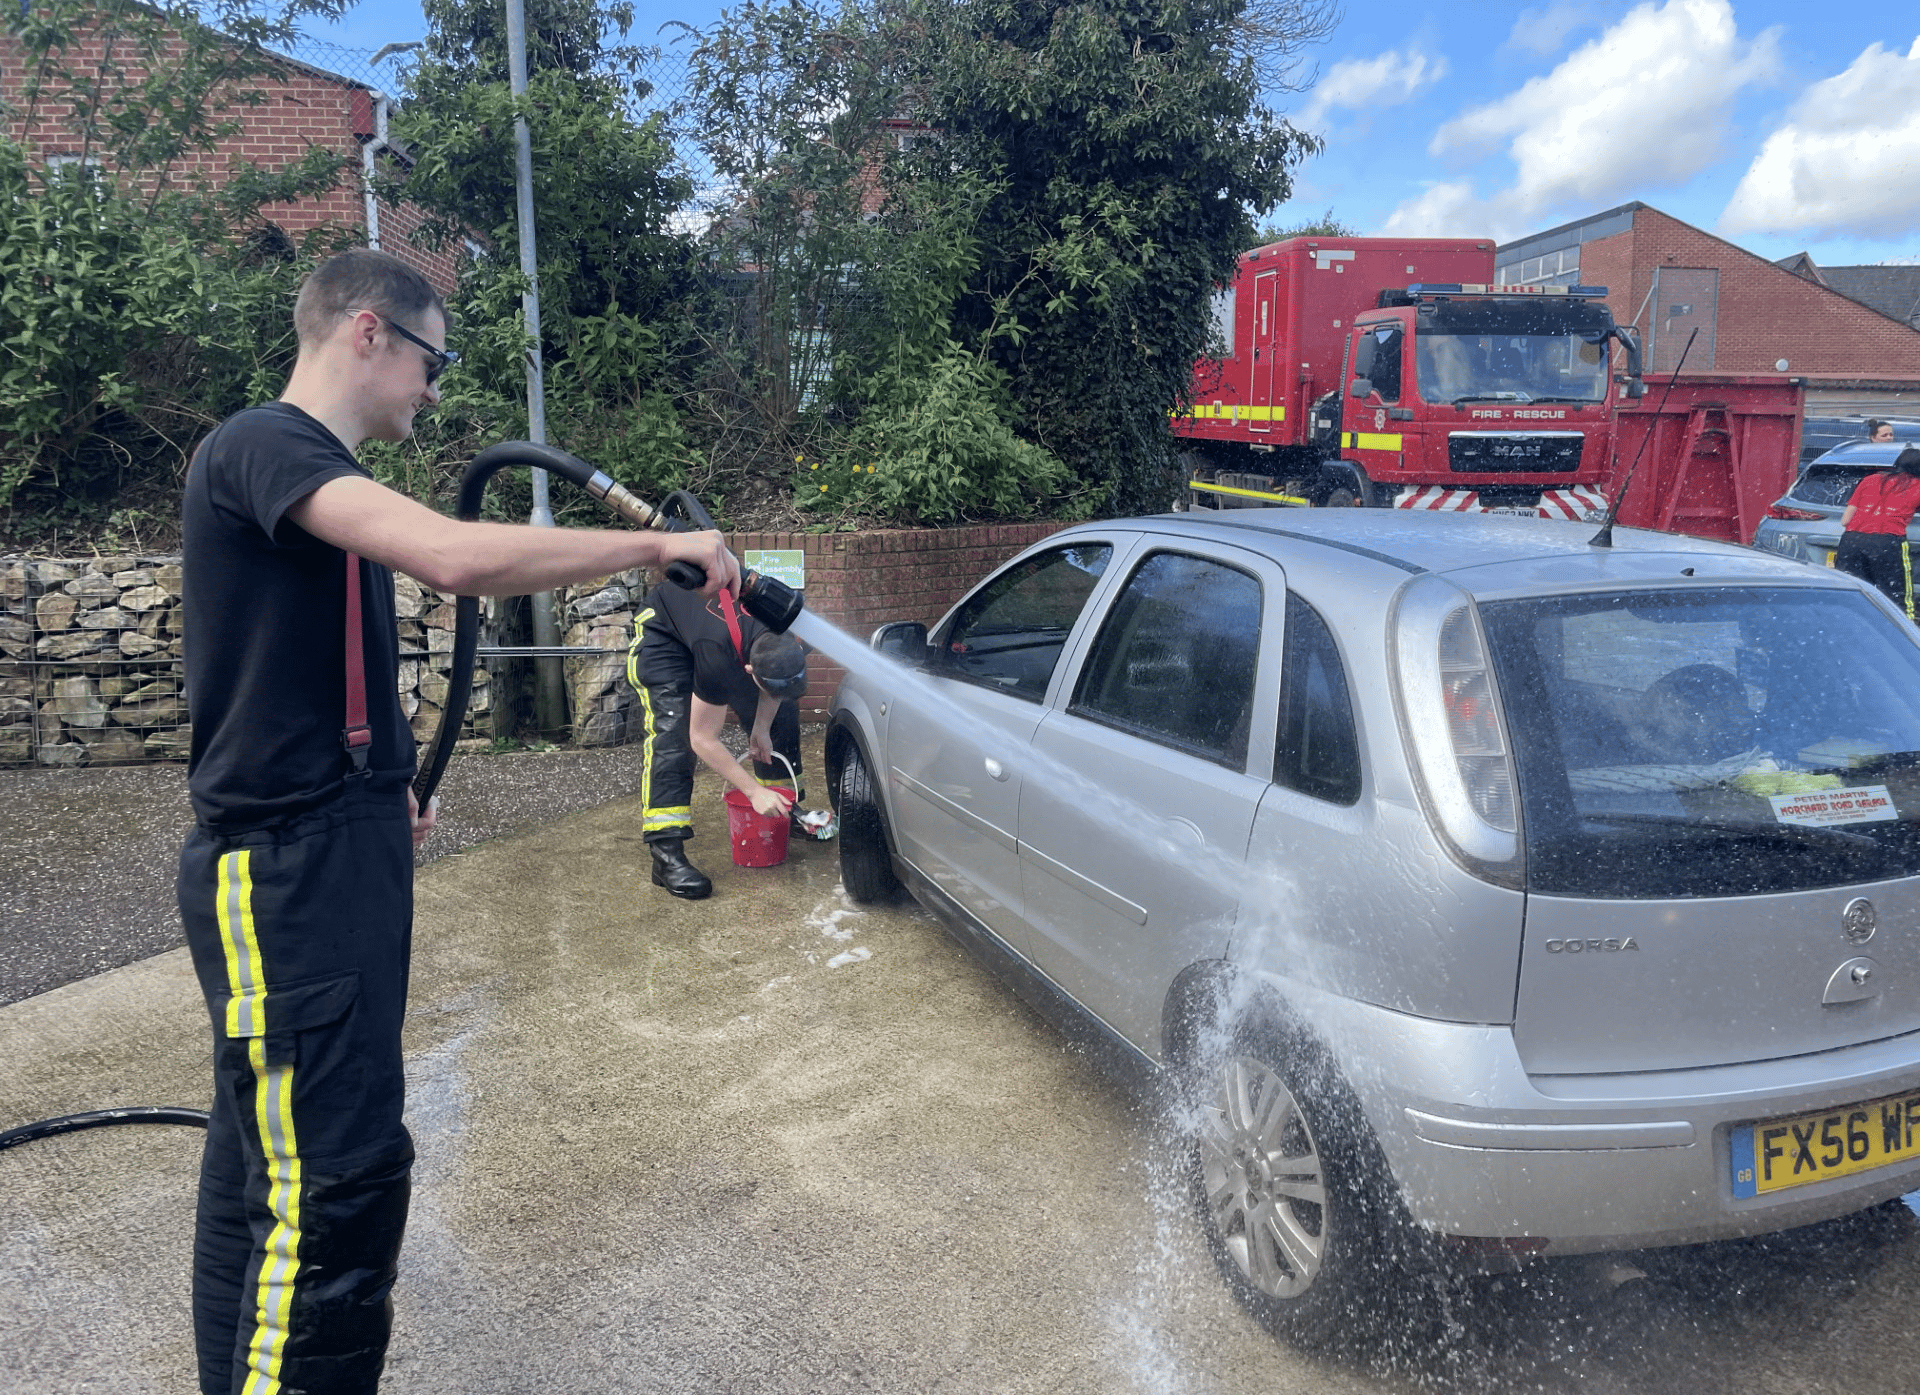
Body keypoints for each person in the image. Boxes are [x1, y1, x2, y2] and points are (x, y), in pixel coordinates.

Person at [177, 247, 737, 1395]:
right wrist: (657, 545)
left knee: (267, 1172)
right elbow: (453, 555)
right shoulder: (265, 445)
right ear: (368, 333)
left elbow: (315, 667)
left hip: (334, 847)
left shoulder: (318, 482)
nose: (436, 392)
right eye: (432, 361)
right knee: (336, 1192)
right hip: (283, 874)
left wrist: (387, 790)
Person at [625, 578, 810, 898]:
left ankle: (781, 811)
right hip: (664, 633)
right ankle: (666, 854)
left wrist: (762, 728)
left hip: (719, 633)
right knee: (676, 734)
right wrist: (751, 791)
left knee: (784, 714)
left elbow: (777, 683)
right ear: (750, 670)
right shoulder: (717, 655)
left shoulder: (789, 624)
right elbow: (703, 738)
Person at [1833, 446, 1920, 618]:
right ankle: (1902, 634)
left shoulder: (1871, 479)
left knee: (1850, 592)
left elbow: (1845, 520)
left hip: (1851, 541)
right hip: (1887, 541)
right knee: (1896, 595)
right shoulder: (1916, 486)